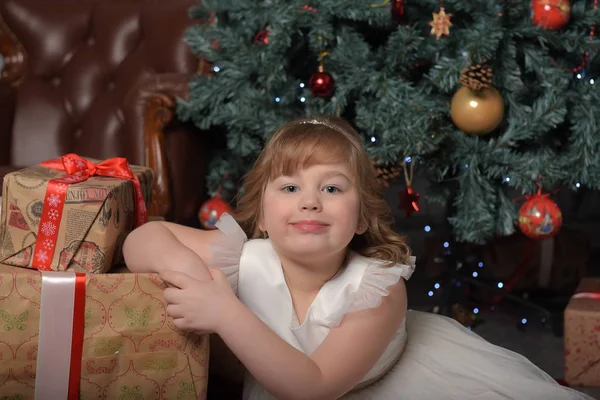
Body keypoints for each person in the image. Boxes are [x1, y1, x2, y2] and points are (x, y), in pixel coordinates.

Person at [123, 116, 592, 400]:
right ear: (262, 217)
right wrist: (188, 273)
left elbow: (312, 388)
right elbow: (145, 236)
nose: (310, 201)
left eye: (331, 188)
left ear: (362, 218)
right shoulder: (247, 256)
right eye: (289, 188)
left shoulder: (377, 288)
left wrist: (224, 311)